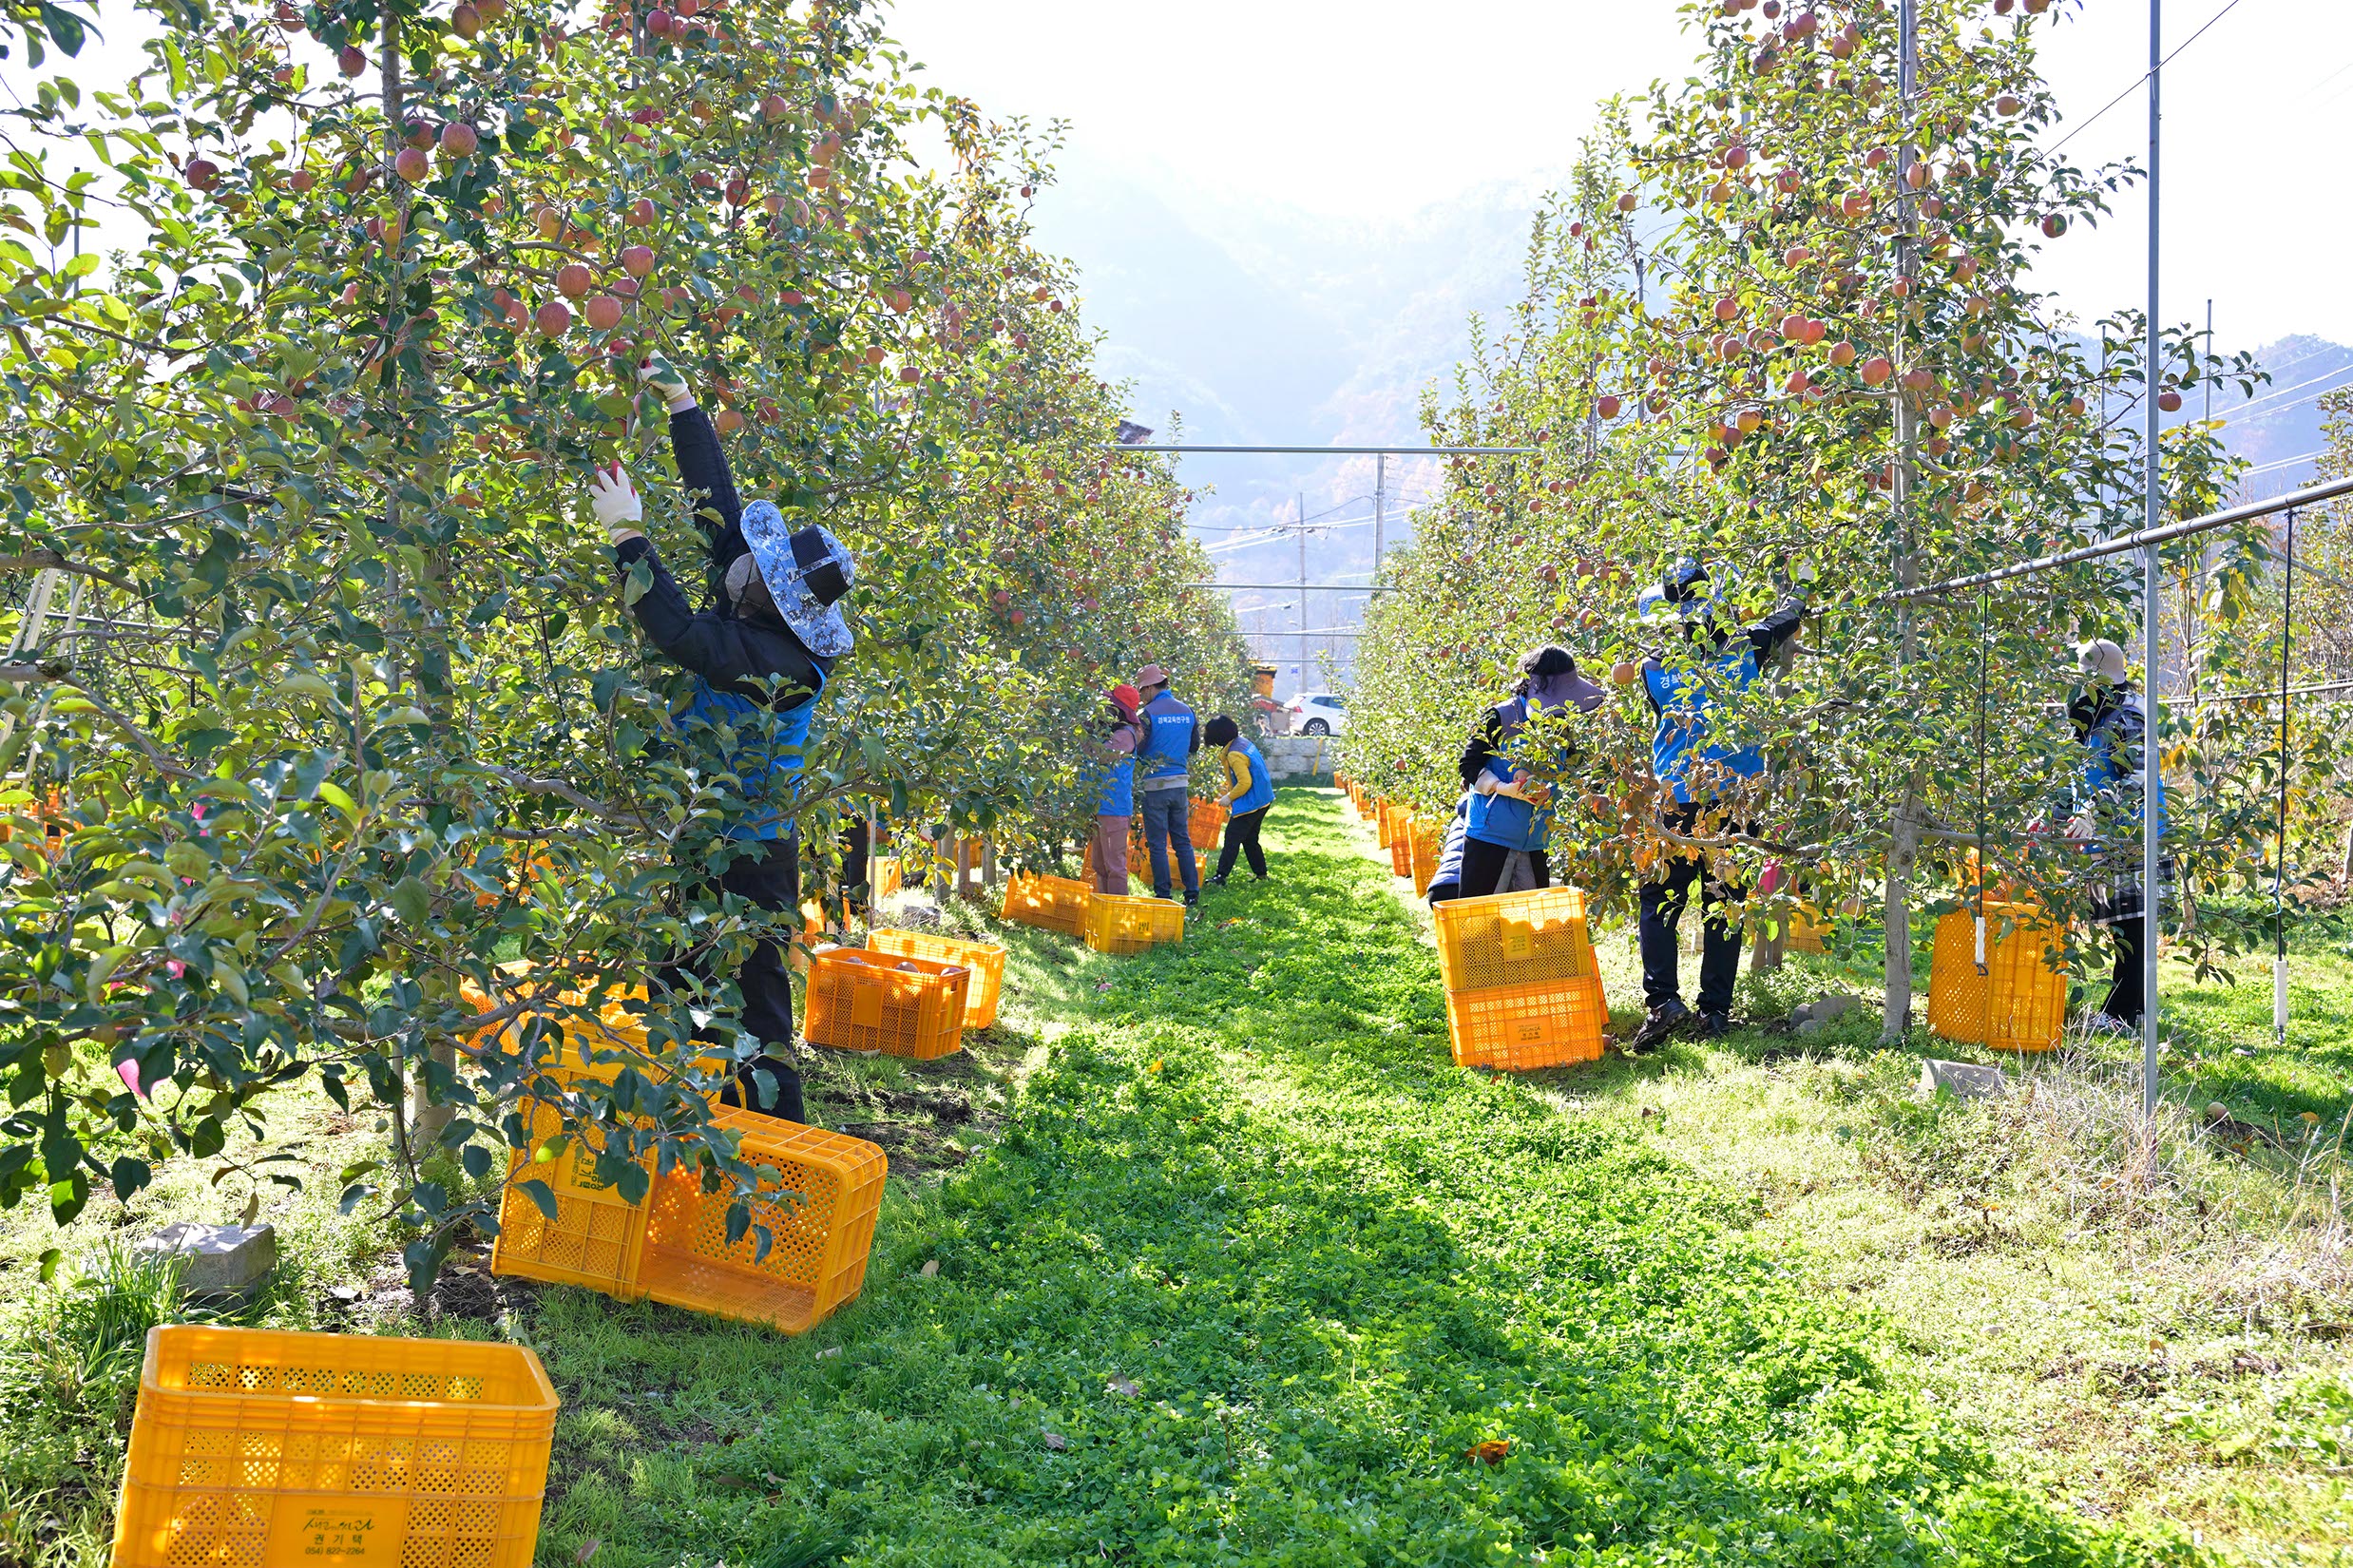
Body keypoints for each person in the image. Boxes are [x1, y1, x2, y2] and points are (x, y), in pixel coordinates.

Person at [585, 359, 857, 1125]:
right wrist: (682, 403)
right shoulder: (757, 605)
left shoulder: (774, 663)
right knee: (674, 979)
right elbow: (719, 506)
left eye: (758, 567)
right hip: (704, 832)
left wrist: (630, 535)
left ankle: (779, 1149)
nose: (739, 561)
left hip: (752, 853)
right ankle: (685, 1130)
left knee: (758, 1004)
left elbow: (674, 628)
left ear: (770, 598)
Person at [1626, 559, 1805, 1048]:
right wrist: (1803, 578)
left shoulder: (1655, 666)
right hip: (1735, 800)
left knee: (1660, 899)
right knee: (1724, 903)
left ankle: (1664, 1002)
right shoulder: (1748, 646)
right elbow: (1788, 616)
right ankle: (1715, 1012)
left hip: (1677, 798)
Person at [1437, 645, 1605, 903]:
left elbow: (1571, 767)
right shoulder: (1500, 717)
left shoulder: (1558, 722)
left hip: (1536, 839)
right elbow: (1468, 765)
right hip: (1490, 836)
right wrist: (1504, 788)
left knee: (1530, 922)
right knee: (1482, 918)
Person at [2067, 638, 2168, 1033]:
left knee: (2133, 922)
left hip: (2131, 831)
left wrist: (2095, 813)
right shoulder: (2104, 712)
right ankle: (2133, 1008)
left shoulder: (2128, 715)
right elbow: (2085, 773)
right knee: (2127, 921)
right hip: (2114, 831)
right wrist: (2059, 813)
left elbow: (2135, 777)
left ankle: (2122, 1013)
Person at [1133, 663, 1202, 906]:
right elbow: (1194, 746)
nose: (1141, 696)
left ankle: (1163, 895)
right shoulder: (1187, 711)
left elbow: (1137, 749)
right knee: (1182, 840)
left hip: (1154, 786)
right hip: (1179, 784)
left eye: (1142, 691)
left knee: (1158, 843)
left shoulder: (1147, 715)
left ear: (1151, 687)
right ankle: (1192, 893)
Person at [1203, 715, 1274, 886]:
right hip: (1263, 798)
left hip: (1252, 802)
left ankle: (1221, 876)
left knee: (1232, 839)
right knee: (1250, 839)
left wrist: (1229, 797)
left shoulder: (1234, 754)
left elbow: (1245, 782)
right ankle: (1261, 874)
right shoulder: (1242, 743)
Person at [1091, 684, 1144, 894]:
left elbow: (1099, 754)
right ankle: (1104, 909)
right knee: (1100, 865)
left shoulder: (1125, 735)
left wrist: (1085, 733)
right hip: (1101, 807)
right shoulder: (1111, 733)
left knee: (1114, 866)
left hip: (1114, 809)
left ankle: (1117, 912)